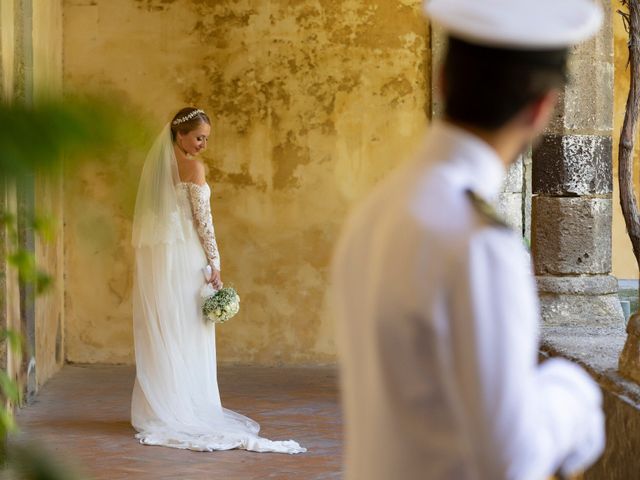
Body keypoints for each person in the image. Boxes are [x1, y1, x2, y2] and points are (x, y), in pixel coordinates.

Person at [332, 1, 605, 478]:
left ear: (442, 78)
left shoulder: (377, 209)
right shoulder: (478, 241)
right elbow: (513, 458)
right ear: (542, 107)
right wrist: (574, 394)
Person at [130, 107, 305, 454]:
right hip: (189, 258)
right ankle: (189, 408)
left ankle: (163, 407)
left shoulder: (158, 169)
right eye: (198, 138)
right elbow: (202, 221)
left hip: (164, 260)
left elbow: (152, 219)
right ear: (179, 135)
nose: (202, 145)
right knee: (190, 328)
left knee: (170, 326)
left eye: (206, 139)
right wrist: (215, 263)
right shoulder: (194, 168)